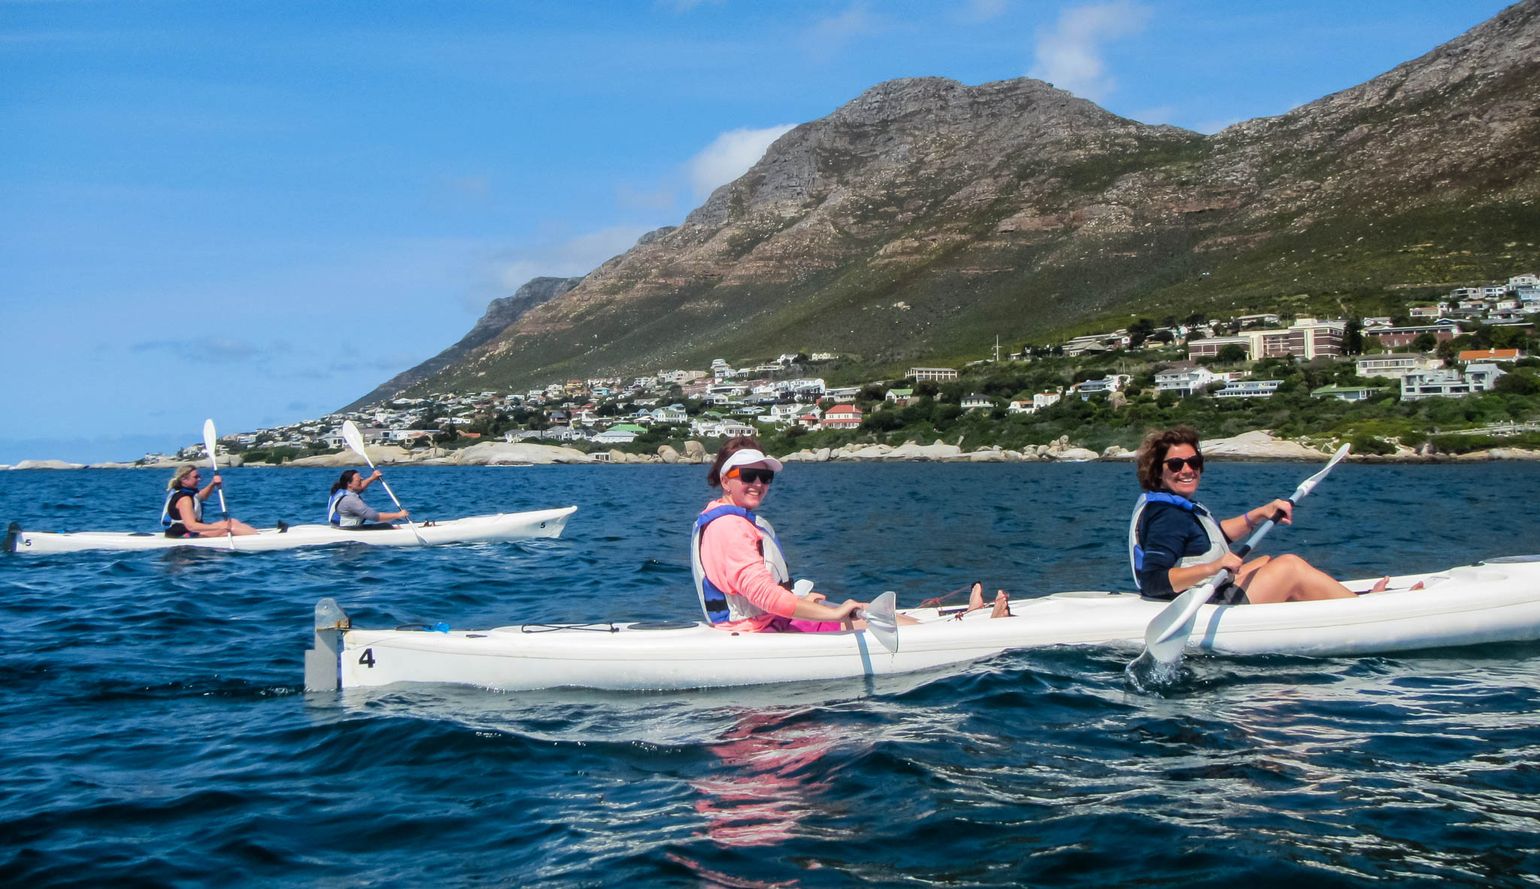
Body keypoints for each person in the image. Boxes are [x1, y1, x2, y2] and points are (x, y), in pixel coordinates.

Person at [1129, 426, 1386, 605]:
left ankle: (1337, 600)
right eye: (1176, 465)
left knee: (1265, 562)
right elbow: (1154, 580)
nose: (1187, 470)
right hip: (1195, 604)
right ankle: (1363, 609)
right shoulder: (1167, 516)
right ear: (1157, 470)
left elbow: (1210, 539)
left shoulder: (1174, 506)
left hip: (1205, 592)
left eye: (1194, 462)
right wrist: (1214, 567)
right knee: (1290, 567)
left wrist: (1260, 513)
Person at [690, 436, 908, 633]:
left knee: (872, 611)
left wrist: (799, 600)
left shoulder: (731, 520)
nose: (758, 483)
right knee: (888, 622)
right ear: (726, 481)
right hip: (759, 630)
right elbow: (764, 595)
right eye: (748, 475)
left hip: (768, 621)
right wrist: (833, 614)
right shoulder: (729, 528)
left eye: (765, 477)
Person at [161, 465, 258, 538]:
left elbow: (201, 497)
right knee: (230, 528)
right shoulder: (184, 499)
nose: (199, 479)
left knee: (232, 521)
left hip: (189, 531)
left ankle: (256, 535)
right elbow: (191, 526)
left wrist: (213, 484)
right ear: (184, 479)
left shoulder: (188, 494)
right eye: (196, 477)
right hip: (183, 535)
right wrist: (220, 528)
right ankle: (256, 539)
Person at [327, 469, 409, 530]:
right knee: (386, 525)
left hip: (336, 526)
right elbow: (374, 516)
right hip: (347, 529)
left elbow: (360, 487)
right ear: (349, 484)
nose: (362, 480)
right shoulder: (350, 500)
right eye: (359, 480)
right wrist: (398, 515)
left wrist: (372, 478)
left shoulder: (339, 491)